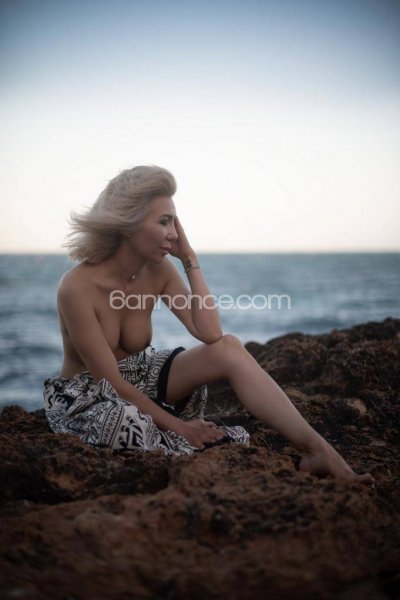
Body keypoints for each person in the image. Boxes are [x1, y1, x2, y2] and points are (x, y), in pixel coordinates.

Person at [44, 165, 373, 483]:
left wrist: (190, 260)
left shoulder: (158, 270)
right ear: (128, 223)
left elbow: (210, 333)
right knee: (123, 422)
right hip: (89, 393)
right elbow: (110, 382)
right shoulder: (76, 287)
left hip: (141, 378)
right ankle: (169, 431)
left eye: (175, 223)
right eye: (164, 222)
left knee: (228, 348)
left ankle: (320, 452)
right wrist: (181, 427)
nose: (174, 234)